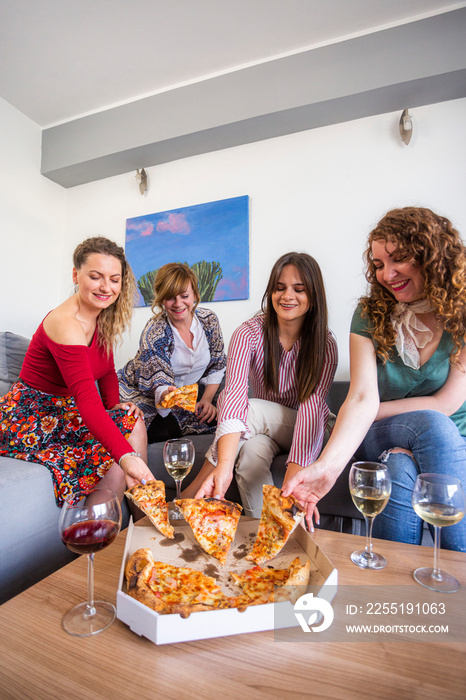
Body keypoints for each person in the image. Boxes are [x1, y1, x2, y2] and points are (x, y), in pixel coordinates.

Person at [283, 207, 466, 551]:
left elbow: (447, 404)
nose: (387, 274)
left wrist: (380, 421)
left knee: (401, 463)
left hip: (449, 439)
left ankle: (394, 591)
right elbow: (362, 397)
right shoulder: (369, 313)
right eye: (379, 265)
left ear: (432, 256)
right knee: (430, 426)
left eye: (399, 260)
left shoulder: (463, 313)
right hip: (381, 432)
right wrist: (325, 468)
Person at [0, 237, 153, 507]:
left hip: (65, 411)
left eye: (114, 279)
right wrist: (126, 456)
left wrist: (115, 405)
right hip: (33, 418)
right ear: (76, 275)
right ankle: (102, 529)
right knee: (120, 448)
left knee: (132, 421)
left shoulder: (101, 315)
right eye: (96, 277)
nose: (106, 287)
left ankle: (142, 519)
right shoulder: (64, 322)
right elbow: (86, 401)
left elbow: (105, 370)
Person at [185, 252, 338, 517]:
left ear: (313, 296)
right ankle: (269, 533)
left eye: (298, 289)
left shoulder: (325, 344)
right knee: (249, 459)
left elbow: (312, 409)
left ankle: (190, 496)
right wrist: (228, 464)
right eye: (279, 288)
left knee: (251, 409)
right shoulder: (248, 333)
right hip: (264, 432)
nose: (287, 296)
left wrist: (294, 485)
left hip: (310, 429)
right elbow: (232, 394)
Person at [118, 262, 226, 442]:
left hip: (187, 397)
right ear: (161, 299)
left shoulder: (209, 321)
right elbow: (160, 388)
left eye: (184, 296)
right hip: (145, 392)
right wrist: (173, 397)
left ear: (194, 296)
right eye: (170, 298)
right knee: (161, 431)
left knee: (221, 423)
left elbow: (217, 366)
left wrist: (206, 400)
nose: (178, 304)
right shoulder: (155, 331)